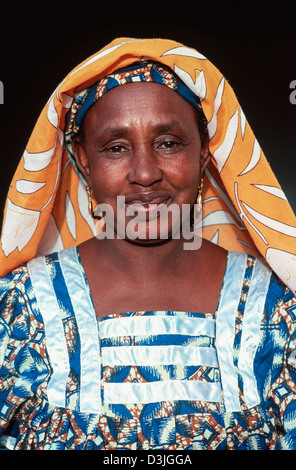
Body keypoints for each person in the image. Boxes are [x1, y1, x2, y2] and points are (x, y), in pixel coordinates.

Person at [0, 37, 296, 451]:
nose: (144, 173)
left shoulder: (278, 313)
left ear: (205, 154)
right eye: (116, 147)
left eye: (168, 143)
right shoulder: (17, 310)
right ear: (84, 160)